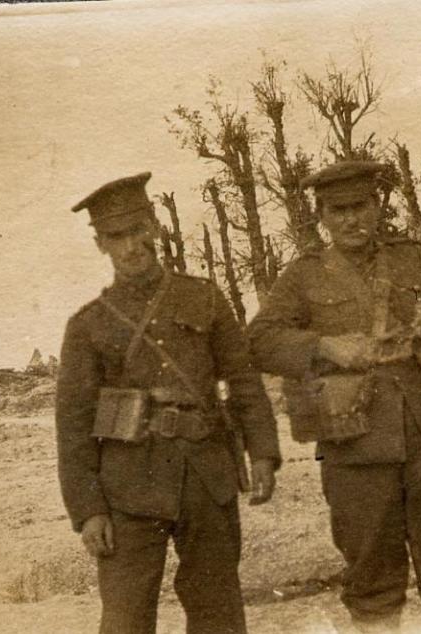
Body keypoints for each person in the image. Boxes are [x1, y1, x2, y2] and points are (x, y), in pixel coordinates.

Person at [247, 161, 421, 632]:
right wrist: (322, 346)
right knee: (372, 581)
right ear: (322, 216)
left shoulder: (412, 258)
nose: (351, 220)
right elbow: (258, 340)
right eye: (338, 211)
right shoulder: (304, 275)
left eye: (360, 207)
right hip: (354, 445)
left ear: (378, 207)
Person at [56, 172, 280, 634]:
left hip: (206, 475)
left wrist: (262, 453)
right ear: (101, 244)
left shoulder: (206, 298)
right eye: (117, 236)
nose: (132, 245)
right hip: (127, 488)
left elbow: (244, 381)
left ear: (155, 227)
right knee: (125, 616)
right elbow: (74, 427)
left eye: (139, 230)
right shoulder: (87, 327)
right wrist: (89, 509)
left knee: (217, 607)